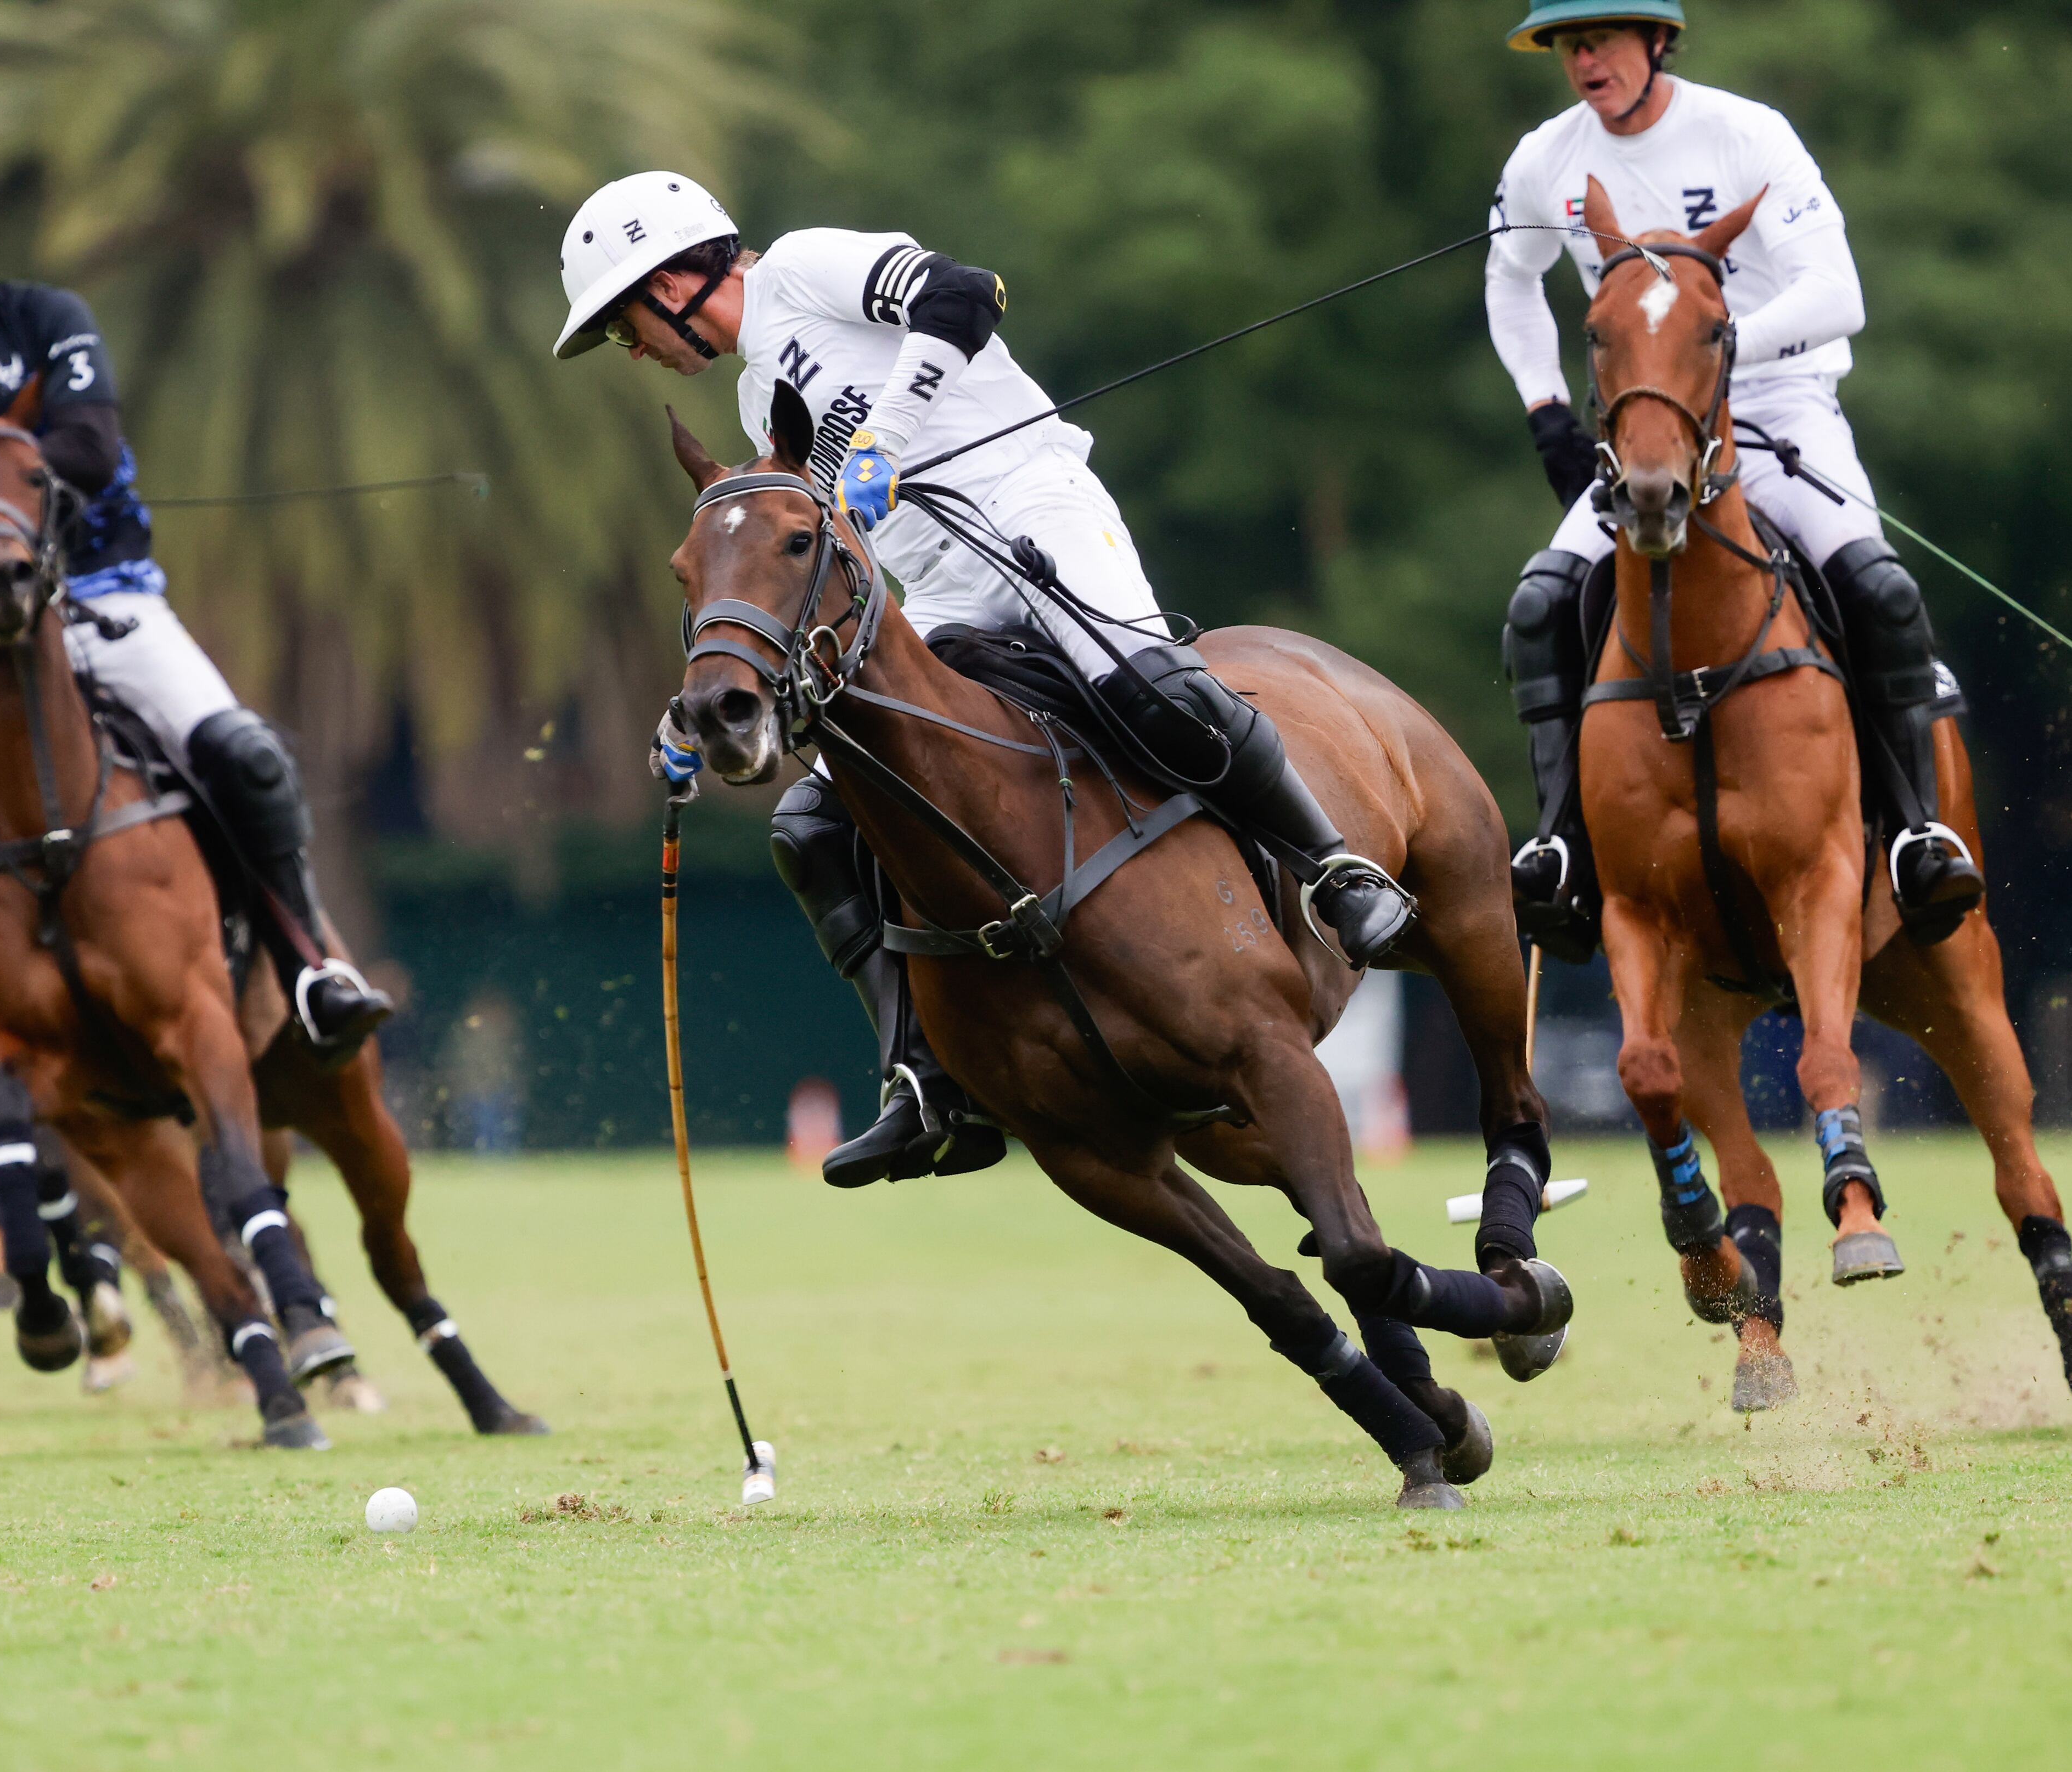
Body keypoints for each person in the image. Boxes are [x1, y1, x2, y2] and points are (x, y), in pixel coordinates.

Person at [553, 172, 1416, 1186]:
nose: (635, 349)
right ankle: (923, 1080)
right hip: (944, 591)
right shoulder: (758, 401)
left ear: (671, 284)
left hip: (1032, 507)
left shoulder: (804, 268)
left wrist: (885, 435)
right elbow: (789, 572)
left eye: (625, 325)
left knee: (1152, 687)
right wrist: (699, 706)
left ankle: (1337, 872)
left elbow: (964, 293)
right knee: (813, 824)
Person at [0, 128, 390, 1094]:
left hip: (105, 596)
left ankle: (312, 966)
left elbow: (93, 449)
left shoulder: (47, 319)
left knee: (244, 754)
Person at [1485, 0, 1983, 956]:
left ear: (1657, 40)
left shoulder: (1747, 133)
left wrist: (1706, 349)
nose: (1586, 60)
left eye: (1603, 39)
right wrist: (1546, 406)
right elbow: (1511, 278)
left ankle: (1917, 833)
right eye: (1569, 45)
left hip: (1779, 403)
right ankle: (1562, 847)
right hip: (1646, 428)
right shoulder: (1545, 159)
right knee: (1541, 606)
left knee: (1880, 588)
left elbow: (1839, 294)